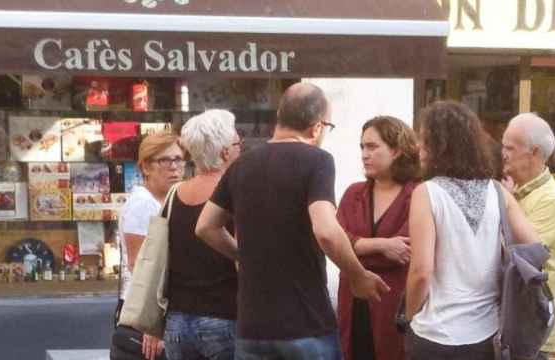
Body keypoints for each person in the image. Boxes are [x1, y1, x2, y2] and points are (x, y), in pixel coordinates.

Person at [195, 82, 389, 359]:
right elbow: (326, 230)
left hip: (252, 329)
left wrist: (242, 254)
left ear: (280, 117)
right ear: (318, 127)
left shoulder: (241, 165)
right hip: (307, 327)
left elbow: (205, 226)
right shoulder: (317, 160)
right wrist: (357, 276)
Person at [405, 101, 539, 360]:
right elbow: (535, 246)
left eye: (424, 141)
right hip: (487, 337)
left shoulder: (427, 193)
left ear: (441, 146)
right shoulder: (498, 192)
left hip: (434, 335)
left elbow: (421, 271)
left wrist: (409, 316)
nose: (419, 149)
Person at [337, 116, 419, 360]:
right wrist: (381, 245)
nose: (364, 154)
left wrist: (353, 250)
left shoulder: (417, 194)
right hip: (353, 303)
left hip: (393, 305)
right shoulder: (353, 193)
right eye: (362, 146)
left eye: (372, 147)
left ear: (396, 150)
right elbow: (333, 241)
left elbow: (404, 253)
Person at [162, 109, 241, 360]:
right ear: (225, 151)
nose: (242, 149)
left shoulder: (174, 193)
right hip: (224, 316)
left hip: (177, 320)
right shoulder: (235, 192)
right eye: (239, 143)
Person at [502, 113, 555, 360]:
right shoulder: (516, 191)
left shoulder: (553, 199)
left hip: (531, 332)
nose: (503, 154)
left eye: (510, 147)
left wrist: (505, 201)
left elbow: (517, 255)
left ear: (533, 152)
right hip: (507, 324)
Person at [114, 133, 185, 360]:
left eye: (179, 159)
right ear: (145, 167)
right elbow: (139, 267)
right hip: (143, 315)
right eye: (165, 161)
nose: (174, 168)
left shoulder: (166, 201)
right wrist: (153, 325)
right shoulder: (142, 204)